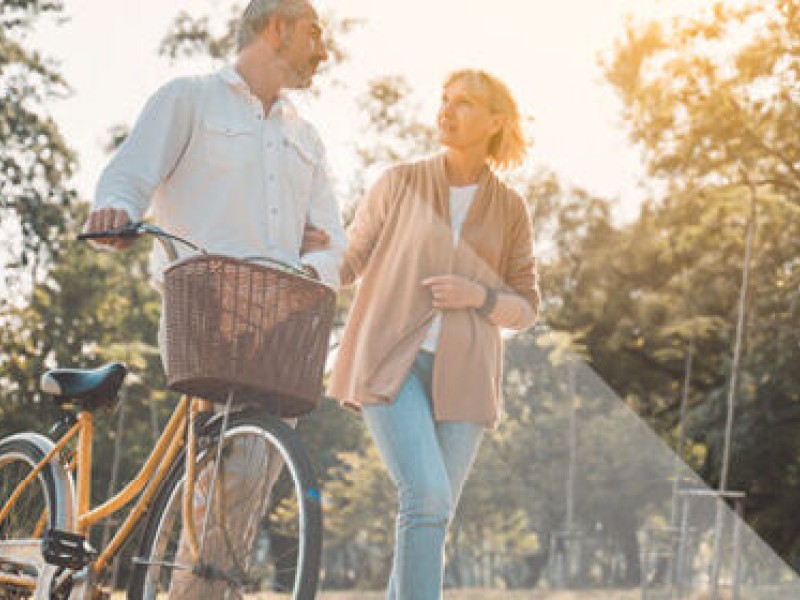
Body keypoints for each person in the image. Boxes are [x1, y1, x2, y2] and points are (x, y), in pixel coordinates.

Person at [83, 0, 346, 595]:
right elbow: (128, 176)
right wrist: (117, 214)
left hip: (279, 334)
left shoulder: (307, 138)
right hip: (204, 319)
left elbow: (338, 244)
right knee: (222, 489)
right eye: (314, 33)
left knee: (242, 487)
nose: (323, 50)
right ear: (276, 27)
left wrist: (309, 264)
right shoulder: (189, 99)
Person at [327, 69, 541, 598]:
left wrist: (481, 298)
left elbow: (527, 308)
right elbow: (350, 259)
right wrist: (306, 263)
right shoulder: (398, 182)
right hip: (390, 362)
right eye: (443, 100)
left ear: (496, 121)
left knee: (433, 513)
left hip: (466, 380)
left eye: (463, 103)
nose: (446, 111)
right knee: (424, 496)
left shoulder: (511, 209)